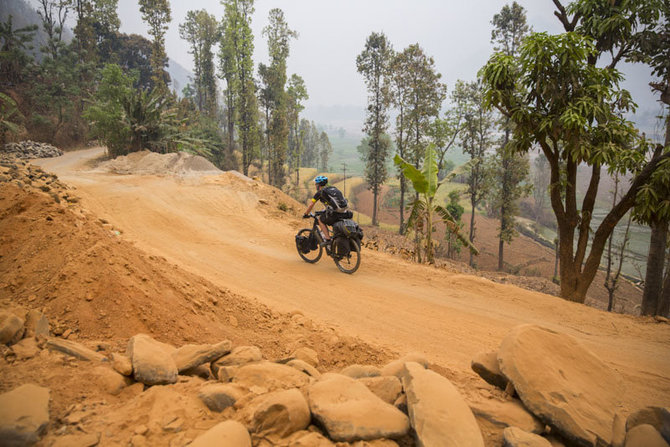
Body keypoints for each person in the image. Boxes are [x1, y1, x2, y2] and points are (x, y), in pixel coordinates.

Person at [303, 175, 350, 246]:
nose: (315, 186)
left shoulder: (320, 193)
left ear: (318, 185)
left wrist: (306, 214)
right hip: (344, 212)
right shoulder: (333, 189)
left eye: (316, 184)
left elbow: (311, 205)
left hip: (335, 213)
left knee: (320, 220)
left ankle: (328, 239)